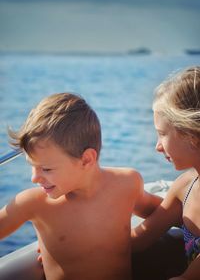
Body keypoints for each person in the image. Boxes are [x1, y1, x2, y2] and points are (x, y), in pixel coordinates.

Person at [0, 92, 162, 280]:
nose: (34, 178)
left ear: (86, 159)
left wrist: (137, 240)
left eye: (46, 169)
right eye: (32, 167)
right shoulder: (33, 204)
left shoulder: (126, 184)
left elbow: (166, 211)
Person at [131, 66, 200, 280]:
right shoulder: (185, 187)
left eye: (162, 134)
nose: (157, 146)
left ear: (192, 135)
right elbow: (137, 241)